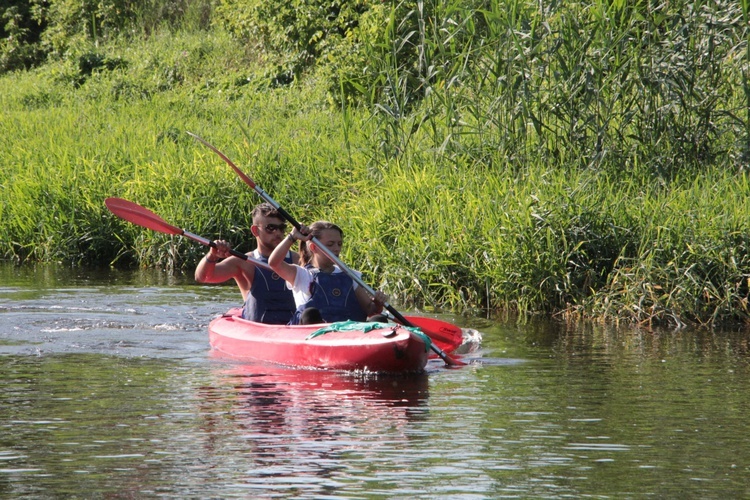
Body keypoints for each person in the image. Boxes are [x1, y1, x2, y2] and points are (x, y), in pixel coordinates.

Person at [194, 203, 299, 324]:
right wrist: (212, 255)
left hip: (293, 330)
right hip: (256, 331)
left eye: (281, 228)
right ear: (255, 230)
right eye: (271, 228)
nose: (278, 233)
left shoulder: (297, 260)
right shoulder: (243, 262)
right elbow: (203, 277)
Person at [268, 220, 388, 325]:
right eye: (330, 244)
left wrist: (377, 303)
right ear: (313, 247)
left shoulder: (349, 274)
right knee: (310, 313)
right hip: (314, 336)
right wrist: (292, 237)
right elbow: (274, 263)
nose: (337, 249)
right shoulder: (301, 274)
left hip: (348, 334)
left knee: (379, 319)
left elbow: (371, 310)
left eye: (339, 244)